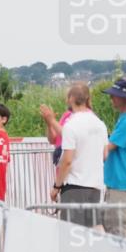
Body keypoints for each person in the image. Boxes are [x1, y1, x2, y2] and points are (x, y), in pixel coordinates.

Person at [52, 83, 109, 227]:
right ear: (88, 98)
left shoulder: (71, 125)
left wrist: (56, 186)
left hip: (75, 186)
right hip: (95, 186)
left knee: (71, 234)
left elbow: (67, 161)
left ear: (70, 99)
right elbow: (105, 154)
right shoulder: (100, 124)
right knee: (89, 235)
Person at [101, 77, 126, 236]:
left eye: (114, 95)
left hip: (121, 185)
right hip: (119, 184)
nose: (111, 99)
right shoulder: (122, 119)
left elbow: (107, 148)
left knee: (118, 230)